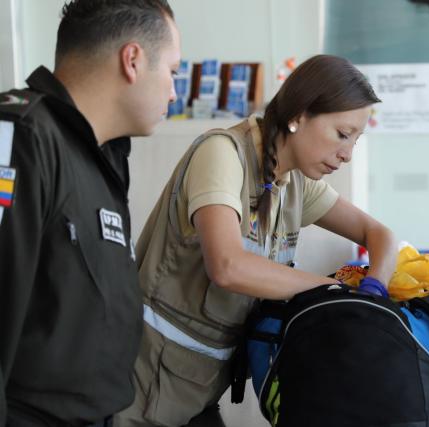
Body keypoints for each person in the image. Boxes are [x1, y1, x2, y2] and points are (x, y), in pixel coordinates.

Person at [115, 54, 397, 427]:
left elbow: (381, 235)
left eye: (356, 141)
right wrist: (335, 292)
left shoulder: (296, 183)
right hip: (145, 384)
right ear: (299, 116)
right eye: (342, 134)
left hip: (199, 389)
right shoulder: (222, 153)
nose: (346, 154)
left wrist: (373, 292)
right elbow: (228, 266)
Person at [0, 0, 180, 425]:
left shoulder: (100, 155)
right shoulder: (21, 137)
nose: (174, 91)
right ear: (133, 60)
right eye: (172, 71)